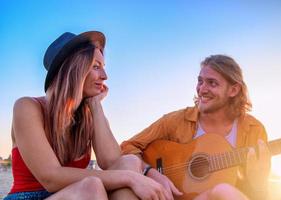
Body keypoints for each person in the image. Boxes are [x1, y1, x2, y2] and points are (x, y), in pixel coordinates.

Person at [4, 31, 169, 200]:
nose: (105, 76)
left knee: (130, 162)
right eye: (96, 67)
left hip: (78, 193)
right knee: (91, 187)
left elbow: (111, 161)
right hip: (29, 196)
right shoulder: (27, 107)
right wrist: (131, 178)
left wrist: (95, 105)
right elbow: (50, 178)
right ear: (74, 69)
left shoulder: (86, 116)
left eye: (103, 67)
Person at [121, 55, 271, 200]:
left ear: (233, 90)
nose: (202, 89)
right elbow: (128, 147)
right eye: (200, 81)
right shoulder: (175, 121)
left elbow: (255, 194)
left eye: (212, 83)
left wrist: (259, 184)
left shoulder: (253, 130)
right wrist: (152, 173)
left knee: (222, 190)